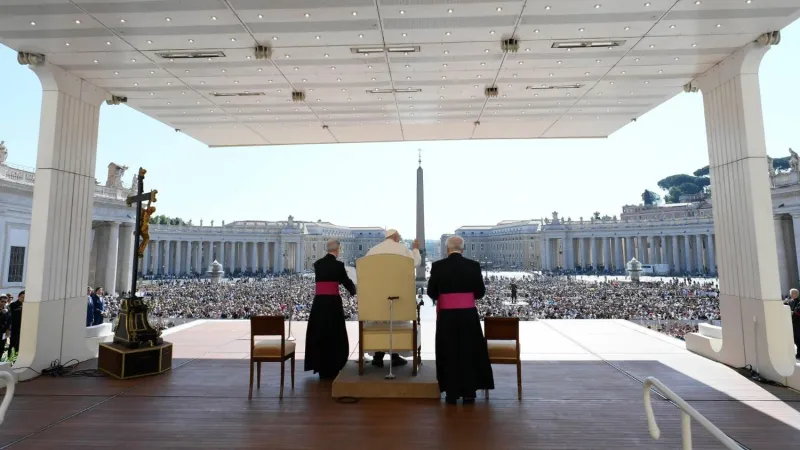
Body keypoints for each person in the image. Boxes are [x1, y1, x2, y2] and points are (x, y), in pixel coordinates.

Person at [427, 236, 494, 404]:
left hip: (447, 317)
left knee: (449, 351)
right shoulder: (474, 266)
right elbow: (479, 293)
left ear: (447, 249)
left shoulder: (437, 266)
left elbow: (431, 292)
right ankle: (469, 392)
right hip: (468, 316)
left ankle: (451, 392)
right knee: (469, 351)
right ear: (463, 249)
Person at [364, 228, 421, 367]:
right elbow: (415, 262)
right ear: (395, 237)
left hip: (377, 296)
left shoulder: (373, 250)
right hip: (397, 294)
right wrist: (415, 249)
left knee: (379, 323)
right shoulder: (402, 249)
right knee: (395, 324)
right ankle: (394, 356)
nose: (400, 238)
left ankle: (378, 357)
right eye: (399, 236)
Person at [304, 239, 356, 379]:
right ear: (337, 249)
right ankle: (333, 366)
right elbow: (346, 282)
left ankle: (321, 367)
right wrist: (355, 290)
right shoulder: (338, 265)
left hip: (319, 304)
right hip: (333, 304)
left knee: (320, 333)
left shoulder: (318, 264)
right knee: (334, 334)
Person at [8, 290, 23, 357]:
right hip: (14, 328)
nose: (24, 299)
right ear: (18, 297)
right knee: (13, 344)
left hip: (23, 328)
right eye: (22, 297)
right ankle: (10, 357)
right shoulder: (13, 305)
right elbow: (11, 315)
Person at [785, 288, 800, 358]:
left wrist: (793, 312)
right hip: (791, 323)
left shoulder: (799, 301)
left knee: (798, 338)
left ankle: (799, 353)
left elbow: (798, 311)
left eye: (794, 293)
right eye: (792, 293)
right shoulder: (790, 301)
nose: (793, 295)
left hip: (798, 323)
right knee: (794, 339)